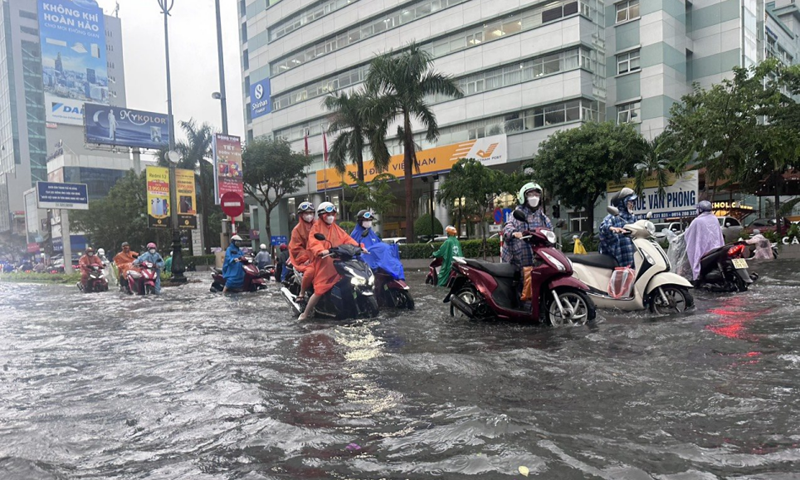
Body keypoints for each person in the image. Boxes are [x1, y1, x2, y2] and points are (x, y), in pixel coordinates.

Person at [298, 202, 361, 320]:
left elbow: (347, 239)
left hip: (339, 262)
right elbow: (313, 242)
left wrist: (359, 247)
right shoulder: (316, 228)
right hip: (323, 263)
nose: (331, 216)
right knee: (320, 289)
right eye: (328, 214)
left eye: (332, 214)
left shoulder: (336, 228)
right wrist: (321, 251)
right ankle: (305, 313)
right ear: (322, 215)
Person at [502, 182, 553, 270]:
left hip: (537, 261)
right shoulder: (516, 214)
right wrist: (514, 233)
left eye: (537, 195)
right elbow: (507, 227)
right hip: (516, 261)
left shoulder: (543, 218)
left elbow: (550, 231)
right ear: (524, 197)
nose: (534, 197)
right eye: (531, 194)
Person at [351, 209, 405, 280]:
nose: (369, 222)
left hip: (378, 262)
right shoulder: (356, 234)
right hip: (366, 265)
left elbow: (379, 245)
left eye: (370, 220)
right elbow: (352, 249)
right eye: (366, 220)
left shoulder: (372, 233)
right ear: (360, 221)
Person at [684, 200, 724, 281]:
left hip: (704, 251)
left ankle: (697, 278)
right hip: (717, 248)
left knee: (695, 258)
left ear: (700, 210)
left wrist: (685, 231)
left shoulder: (697, 221)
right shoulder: (714, 218)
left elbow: (689, 234)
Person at [599, 187, 638, 268]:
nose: (632, 204)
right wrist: (611, 228)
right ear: (622, 202)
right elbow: (602, 228)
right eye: (630, 201)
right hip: (618, 260)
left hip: (633, 259)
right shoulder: (613, 217)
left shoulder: (633, 218)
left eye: (633, 201)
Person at [288, 202, 316, 299]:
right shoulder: (297, 230)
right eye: (306, 213)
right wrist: (306, 258)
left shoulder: (319, 226)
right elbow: (296, 248)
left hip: (321, 257)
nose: (309, 215)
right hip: (306, 260)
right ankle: (302, 293)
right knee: (310, 271)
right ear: (301, 215)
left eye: (311, 213)